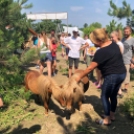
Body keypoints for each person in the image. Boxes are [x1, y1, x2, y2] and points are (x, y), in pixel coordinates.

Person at [75, 28, 126, 125]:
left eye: (94, 41)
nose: (92, 43)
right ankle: (112, 115)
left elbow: (90, 68)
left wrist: (78, 77)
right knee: (113, 95)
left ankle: (107, 120)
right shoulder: (114, 44)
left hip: (112, 76)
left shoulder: (101, 52)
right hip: (122, 74)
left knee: (104, 96)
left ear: (99, 40)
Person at [110, 30, 124, 97]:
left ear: (117, 36)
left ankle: (119, 92)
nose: (111, 39)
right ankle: (119, 91)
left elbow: (119, 55)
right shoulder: (115, 44)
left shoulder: (119, 44)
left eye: (112, 37)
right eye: (111, 37)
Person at [121, 26, 134, 93]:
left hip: (128, 60)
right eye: (125, 31)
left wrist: (132, 62)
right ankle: (119, 87)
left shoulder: (132, 40)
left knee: (127, 74)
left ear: (130, 32)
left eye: (127, 31)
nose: (125, 33)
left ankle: (126, 88)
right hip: (120, 60)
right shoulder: (122, 39)